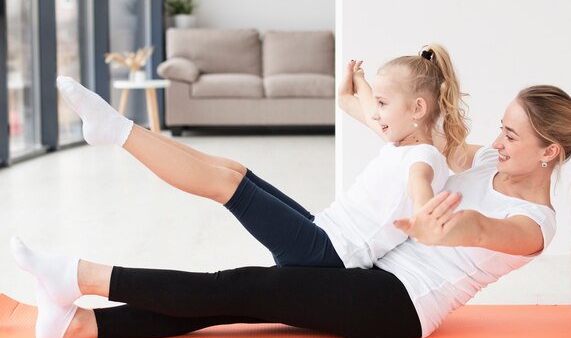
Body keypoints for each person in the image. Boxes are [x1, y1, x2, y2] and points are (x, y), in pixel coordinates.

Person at [10, 85, 571, 338]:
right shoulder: (484, 161)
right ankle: (81, 325)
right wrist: (359, 98)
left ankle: (82, 279)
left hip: (399, 304)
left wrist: (436, 226)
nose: (497, 139)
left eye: (511, 133)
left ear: (549, 153)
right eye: (499, 126)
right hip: (365, 264)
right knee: (240, 291)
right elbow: (419, 136)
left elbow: (480, 230)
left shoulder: (535, 226)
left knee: (243, 288)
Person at [55, 44, 468, 270]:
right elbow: (357, 103)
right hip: (321, 229)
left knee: (227, 187)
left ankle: (117, 132)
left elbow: (419, 184)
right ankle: (131, 128)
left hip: (326, 255)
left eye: (382, 104)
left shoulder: (424, 157)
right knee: (237, 171)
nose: (374, 114)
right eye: (375, 104)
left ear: (416, 110)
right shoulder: (399, 139)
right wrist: (360, 83)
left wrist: (422, 214)